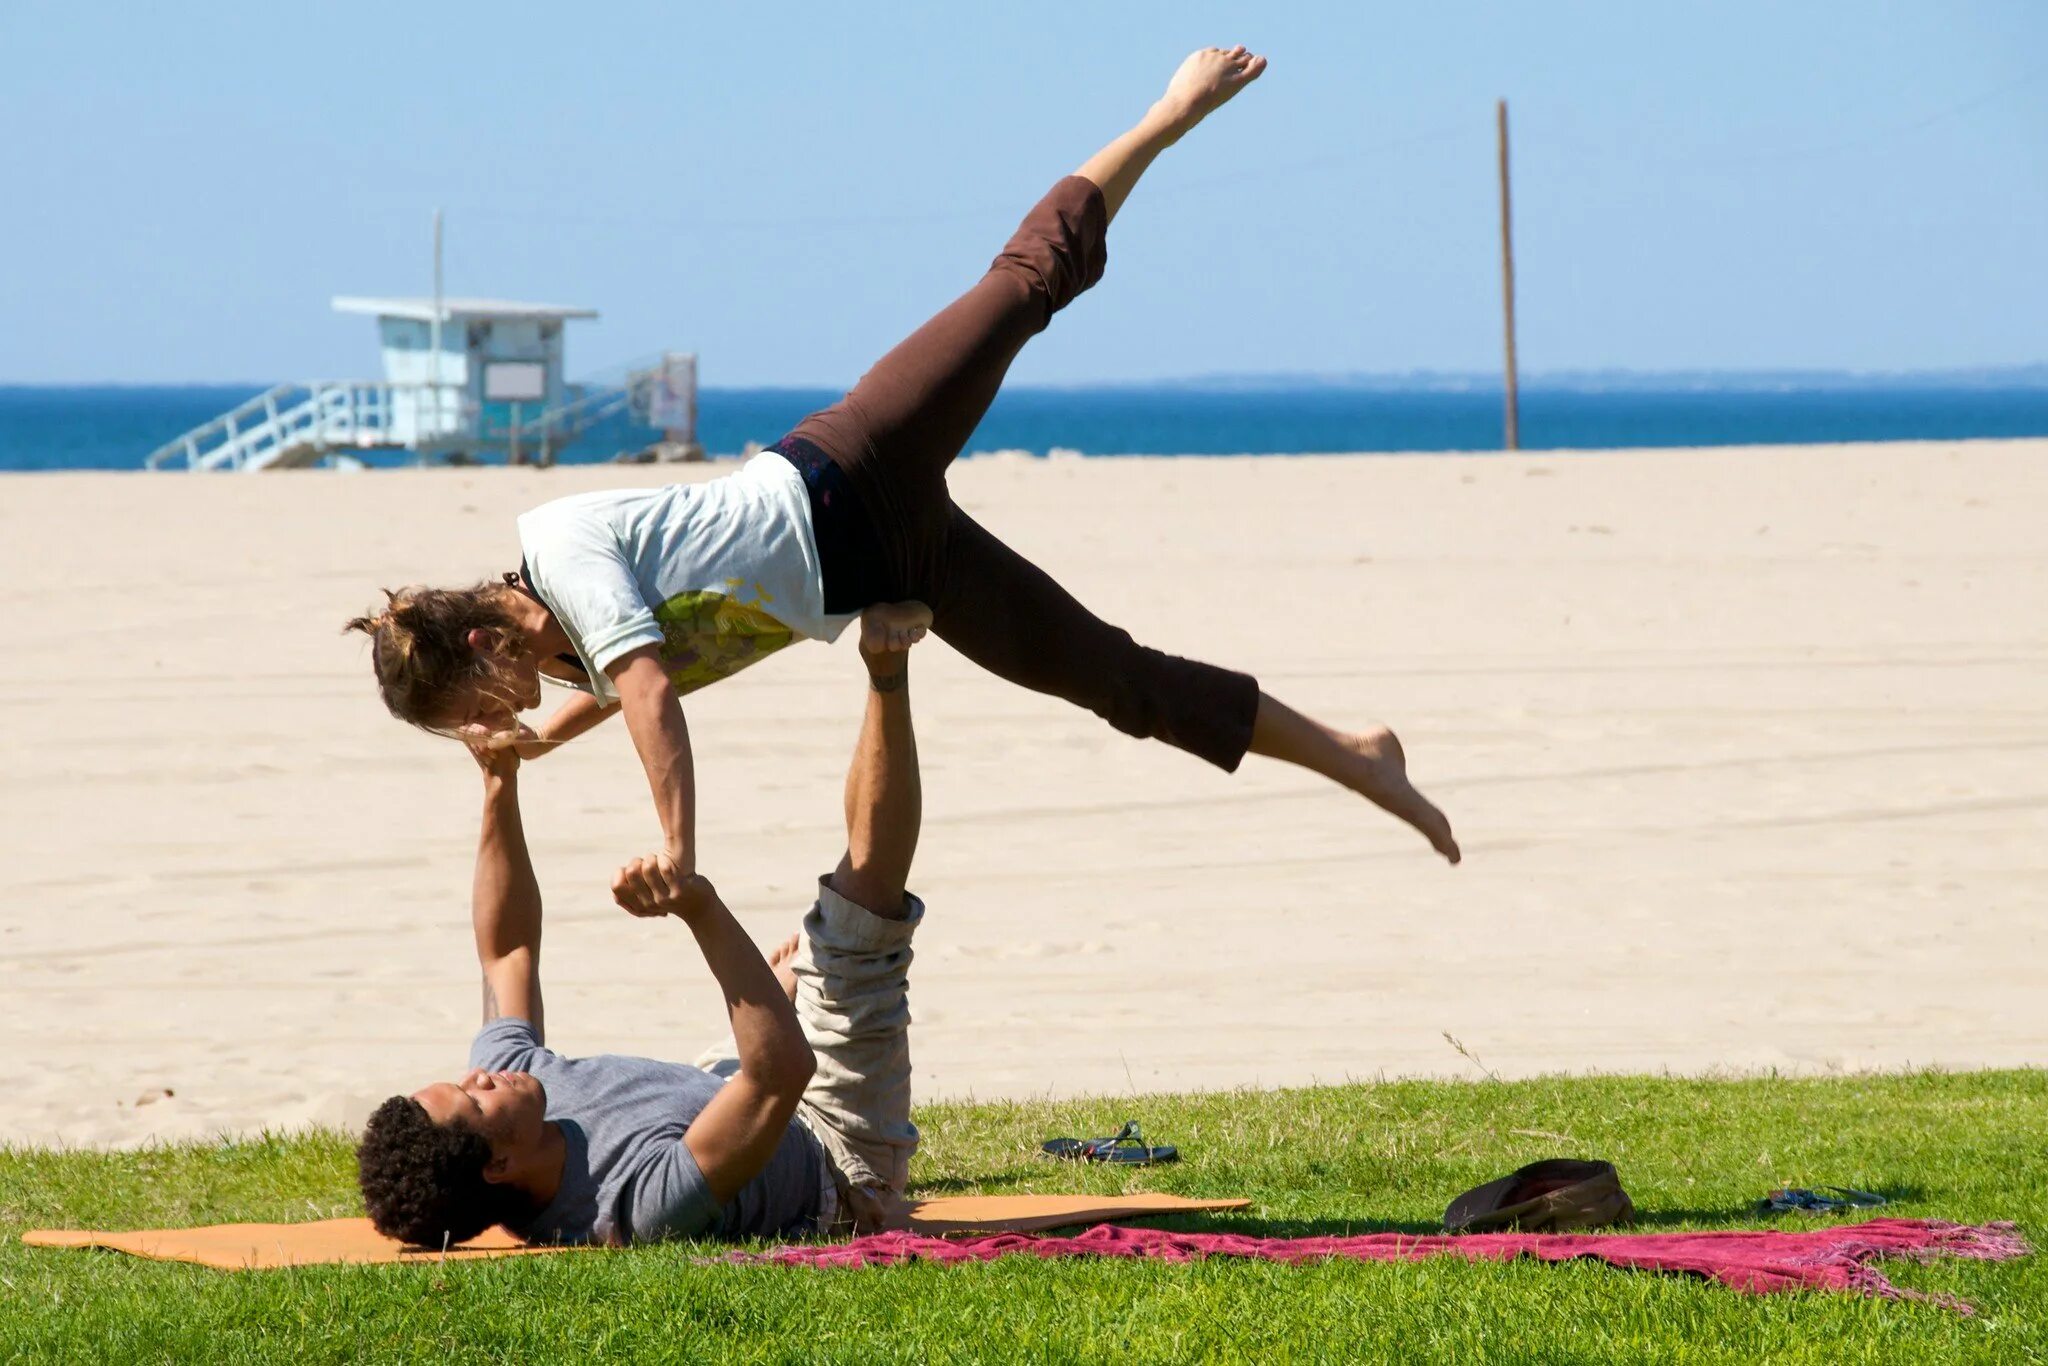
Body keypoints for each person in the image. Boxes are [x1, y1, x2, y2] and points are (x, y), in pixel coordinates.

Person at [345, 46, 1461, 881]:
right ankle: (1354, 751)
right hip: (890, 569)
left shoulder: (567, 553)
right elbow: (608, 680)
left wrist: (675, 843)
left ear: (484, 636)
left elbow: (645, 689)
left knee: (1024, 287)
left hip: (855, 461)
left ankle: (1168, 113)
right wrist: (532, 737)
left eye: (473, 697)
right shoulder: (563, 646)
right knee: (1117, 682)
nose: (500, 704)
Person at [357, 608, 932, 1246]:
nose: (479, 1074)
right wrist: (700, 909)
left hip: (717, 1084)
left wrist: (499, 784)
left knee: (795, 983)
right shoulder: (637, 1205)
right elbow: (781, 1076)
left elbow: (506, 952)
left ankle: (773, 998)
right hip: (832, 1145)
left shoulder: (513, 1084)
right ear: (499, 1166)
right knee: (861, 916)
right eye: (473, 1097)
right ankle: (887, 666)